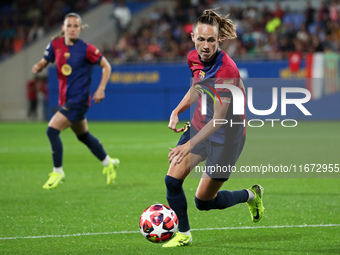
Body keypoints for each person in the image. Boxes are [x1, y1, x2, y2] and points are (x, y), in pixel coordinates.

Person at [162, 9, 264, 248]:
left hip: (227, 139)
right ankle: (183, 234)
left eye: (210, 40)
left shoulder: (227, 71)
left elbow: (218, 120)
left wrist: (187, 145)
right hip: (200, 126)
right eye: (200, 39)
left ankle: (251, 195)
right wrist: (177, 110)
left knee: (203, 201)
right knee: (172, 181)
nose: (205, 45)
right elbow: (198, 87)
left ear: (219, 39)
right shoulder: (193, 58)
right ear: (193, 38)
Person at [32, 13, 119, 190]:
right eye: (69, 25)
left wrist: (101, 88)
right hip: (66, 99)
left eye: (75, 26)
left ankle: (58, 171)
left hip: (78, 100)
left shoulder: (86, 49)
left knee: (52, 130)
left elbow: (106, 66)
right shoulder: (55, 45)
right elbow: (45, 60)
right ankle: (109, 162)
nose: (72, 29)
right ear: (63, 28)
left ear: (80, 29)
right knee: (83, 136)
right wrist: (40, 65)